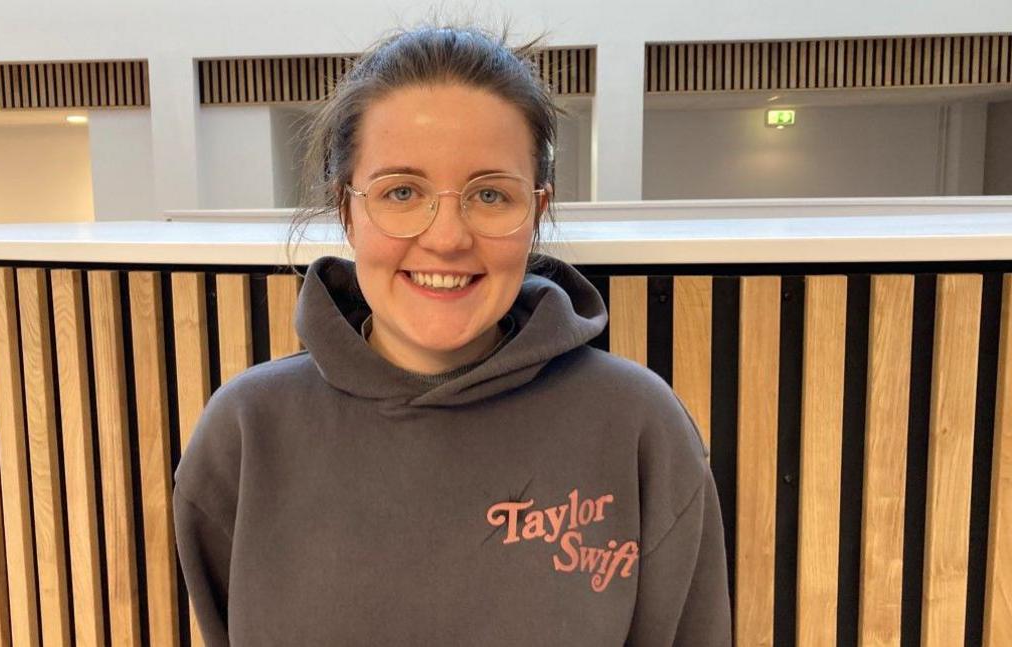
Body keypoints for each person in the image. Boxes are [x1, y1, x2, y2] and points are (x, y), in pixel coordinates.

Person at [173, 22, 731, 646]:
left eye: (490, 194)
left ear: (536, 214)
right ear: (346, 211)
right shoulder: (247, 436)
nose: (446, 237)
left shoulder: (637, 427)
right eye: (402, 192)